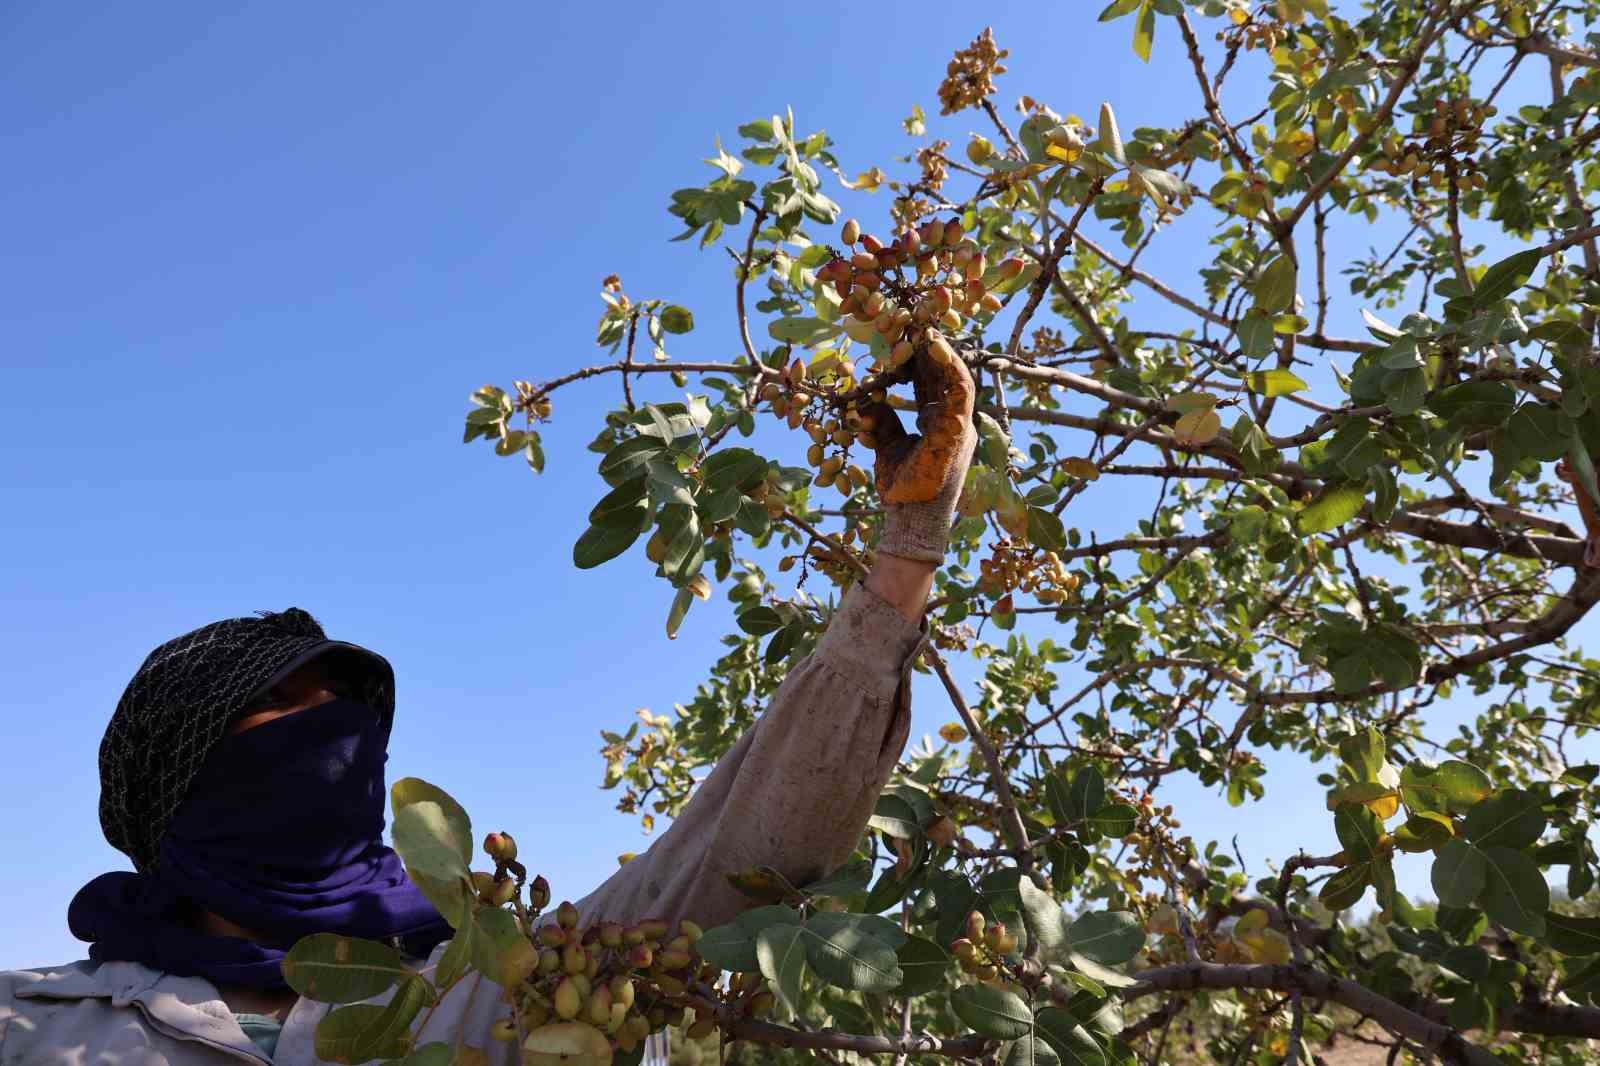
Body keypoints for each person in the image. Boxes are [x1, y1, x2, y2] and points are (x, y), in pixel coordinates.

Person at [0, 353, 976, 1065]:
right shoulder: (34, 1025)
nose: (327, 734)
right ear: (180, 779)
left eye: (343, 712)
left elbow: (729, 857)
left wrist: (904, 555)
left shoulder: (498, 987)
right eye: (278, 708)